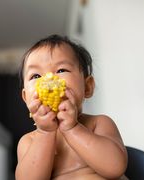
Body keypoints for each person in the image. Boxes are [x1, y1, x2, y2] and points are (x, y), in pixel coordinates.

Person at [16, 34, 128, 180]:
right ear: (25, 98)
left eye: (61, 70)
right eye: (36, 76)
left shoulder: (99, 124)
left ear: (87, 87)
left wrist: (72, 128)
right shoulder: (28, 141)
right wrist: (45, 133)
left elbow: (115, 168)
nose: (49, 78)